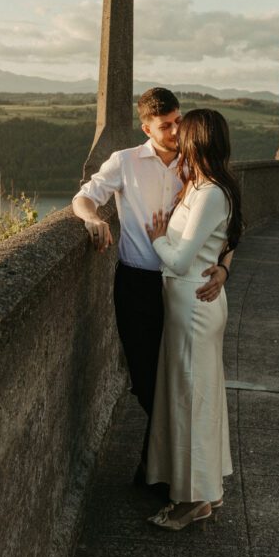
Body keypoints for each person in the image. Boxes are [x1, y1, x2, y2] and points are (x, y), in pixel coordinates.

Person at [71, 88, 231, 487]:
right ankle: (161, 467)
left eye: (179, 121)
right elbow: (85, 197)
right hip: (138, 285)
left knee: (176, 383)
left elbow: (228, 230)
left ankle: (157, 472)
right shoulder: (124, 162)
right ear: (147, 127)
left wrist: (225, 269)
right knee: (146, 383)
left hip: (182, 286)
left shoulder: (196, 165)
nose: (176, 130)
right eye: (166, 125)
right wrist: (93, 220)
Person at [144, 108, 242, 531]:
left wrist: (157, 240)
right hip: (188, 308)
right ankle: (203, 491)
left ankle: (192, 500)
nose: (175, 137)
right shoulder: (198, 185)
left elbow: (181, 260)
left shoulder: (211, 193)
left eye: (182, 132)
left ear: (197, 140)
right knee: (192, 398)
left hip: (195, 310)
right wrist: (221, 266)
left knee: (192, 403)